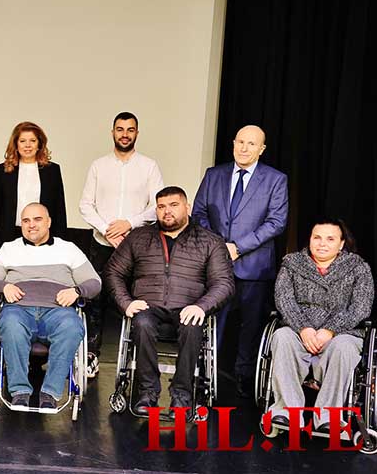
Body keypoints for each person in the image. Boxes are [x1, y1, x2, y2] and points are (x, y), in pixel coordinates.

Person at [105, 186, 234, 415]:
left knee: (193, 325)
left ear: (187, 207)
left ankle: (182, 396)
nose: (167, 211)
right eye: (161, 207)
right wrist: (126, 302)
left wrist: (201, 307)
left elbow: (223, 283)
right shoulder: (139, 237)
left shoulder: (210, 241)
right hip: (148, 306)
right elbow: (113, 272)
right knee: (142, 323)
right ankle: (147, 394)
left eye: (174, 205)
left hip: (189, 307)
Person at [192, 124, 288, 398]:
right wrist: (219, 246)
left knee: (250, 326)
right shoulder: (214, 175)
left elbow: (276, 222)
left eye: (251, 144)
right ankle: (206, 376)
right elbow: (199, 213)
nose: (244, 148)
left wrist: (239, 247)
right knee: (212, 322)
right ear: (233, 143)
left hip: (254, 266)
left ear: (262, 149)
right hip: (216, 263)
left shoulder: (275, 179)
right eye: (240, 142)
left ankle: (245, 377)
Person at [0, 203, 101, 409]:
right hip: (19, 309)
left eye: (37, 219)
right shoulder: (9, 249)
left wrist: (77, 291)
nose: (31, 225)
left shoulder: (68, 249)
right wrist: (3, 286)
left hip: (57, 311)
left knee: (72, 326)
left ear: (49, 222)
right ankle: (19, 391)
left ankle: (50, 393)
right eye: (26, 221)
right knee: (10, 323)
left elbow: (94, 282)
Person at [78, 111, 163, 379]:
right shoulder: (98, 166)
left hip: (136, 245)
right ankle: (91, 356)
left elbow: (157, 206)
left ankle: (135, 360)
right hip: (101, 244)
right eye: (120, 129)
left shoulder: (149, 166)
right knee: (95, 301)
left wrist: (128, 224)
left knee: (137, 301)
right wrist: (107, 229)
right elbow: (85, 205)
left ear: (137, 133)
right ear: (112, 132)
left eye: (130, 129)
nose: (124, 134)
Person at [266, 219, 373, 431]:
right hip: (299, 329)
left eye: (330, 239)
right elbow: (284, 300)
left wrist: (330, 330)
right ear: (310, 240)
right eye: (317, 237)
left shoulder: (358, 267)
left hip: (342, 332)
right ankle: (287, 411)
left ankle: (328, 416)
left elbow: (361, 307)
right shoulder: (292, 263)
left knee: (343, 347)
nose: (322, 243)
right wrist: (304, 328)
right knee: (281, 337)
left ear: (341, 244)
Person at [0, 121, 67, 256]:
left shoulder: (52, 170)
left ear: (39, 144)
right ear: (16, 144)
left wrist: (61, 246)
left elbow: (59, 211)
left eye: (32, 141)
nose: (27, 145)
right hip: (9, 238)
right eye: (22, 141)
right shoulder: (2, 171)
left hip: (43, 239)